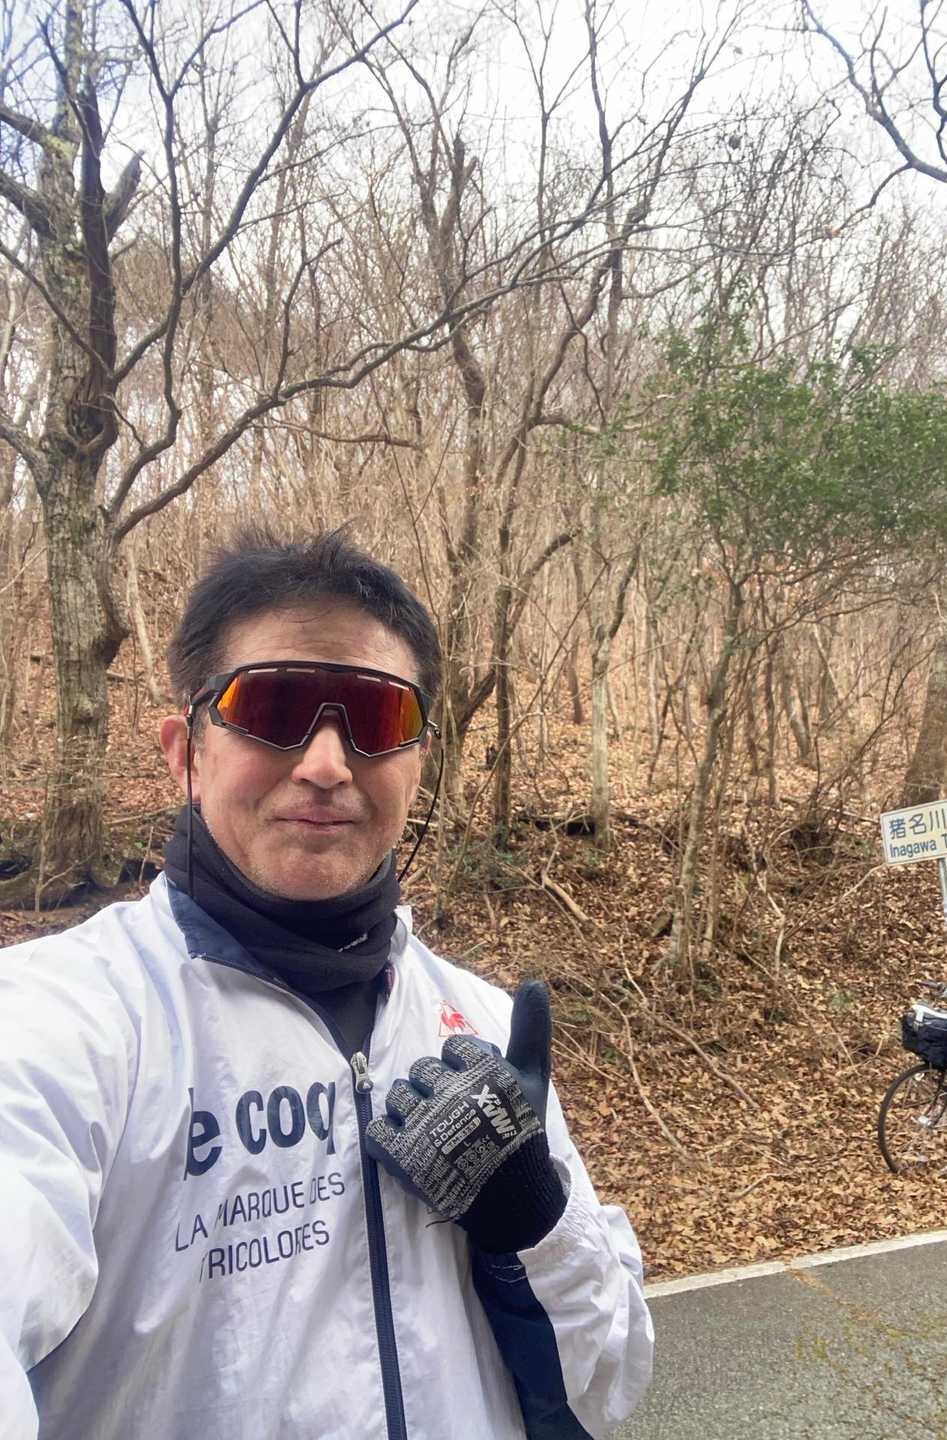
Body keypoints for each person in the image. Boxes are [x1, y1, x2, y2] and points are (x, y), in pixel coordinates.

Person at [0, 529, 653, 1440]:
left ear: (419, 764)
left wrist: (533, 1227)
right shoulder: (60, 1025)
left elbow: (607, 1385)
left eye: (376, 720)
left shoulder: (480, 1027)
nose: (325, 764)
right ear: (185, 752)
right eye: (274, 706)